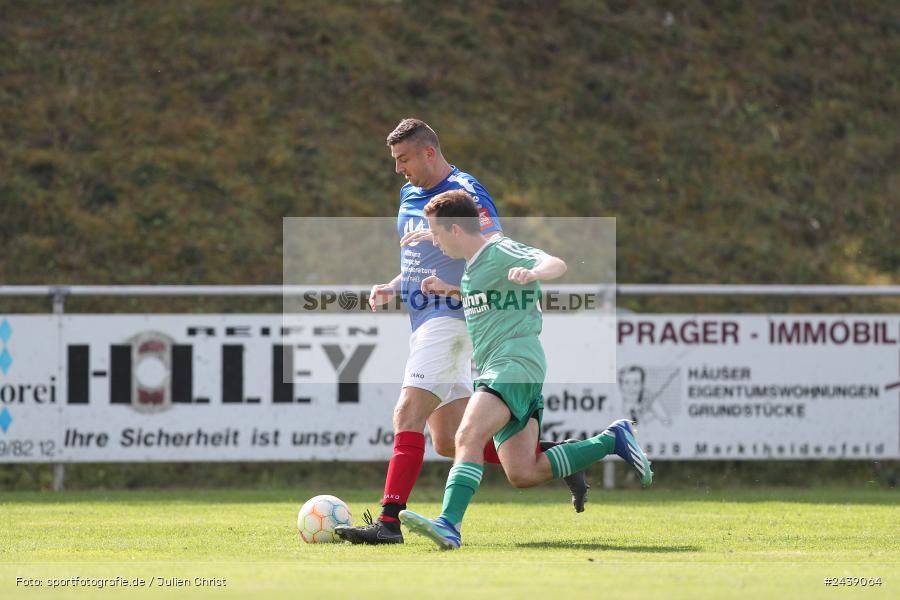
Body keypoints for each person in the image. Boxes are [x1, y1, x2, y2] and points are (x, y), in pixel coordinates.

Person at [335, 119, 587, 546]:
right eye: (395, 161)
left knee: (406, 414)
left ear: (429, 152)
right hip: (422, 319)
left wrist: (465, 288)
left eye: (404, 159)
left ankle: (389, 522)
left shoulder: (465, 191)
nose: (398, 169)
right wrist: (393, 286)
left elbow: (487, 251)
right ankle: (556, 457)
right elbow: (419, 256)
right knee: (449, 441)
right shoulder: (408, 193)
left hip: (449, 319)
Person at [398, 190, 653, 550]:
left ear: (456, 229)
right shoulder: (472, 268)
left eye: (437, 234)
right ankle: (612, 439)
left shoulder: (500, 250)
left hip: (513, 362)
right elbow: (489, 296)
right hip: (501, 367)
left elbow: (555, 263)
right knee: (523, 471)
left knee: (467, 436)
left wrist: (533, 271)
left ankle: (448, 525)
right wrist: (451, 290)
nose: (434, 242)